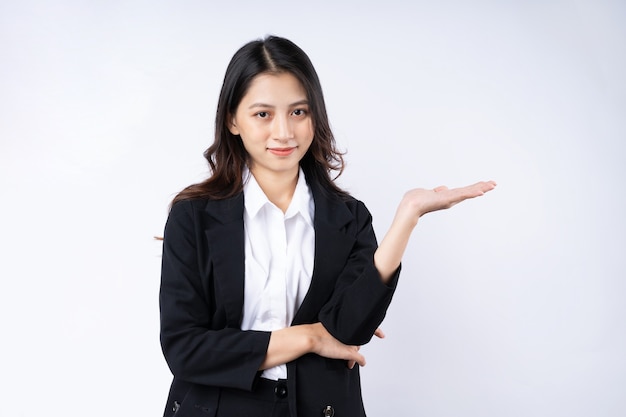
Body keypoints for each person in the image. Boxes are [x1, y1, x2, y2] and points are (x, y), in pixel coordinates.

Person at [159, 35, 496, 417]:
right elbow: (185, 349)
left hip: (323, 407)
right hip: (219, 407)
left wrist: (408, 216)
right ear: (233, 120)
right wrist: (309, 337)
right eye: (263, 114)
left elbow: (350, 329)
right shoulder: (193, 217)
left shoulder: (348, 217)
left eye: (298, 112)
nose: (284, 132)